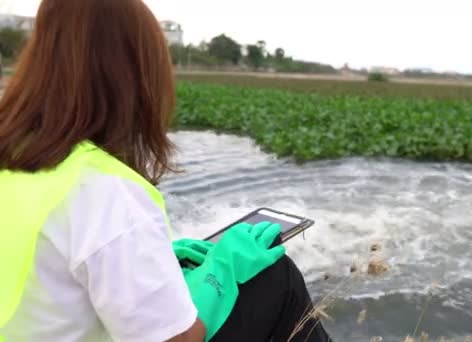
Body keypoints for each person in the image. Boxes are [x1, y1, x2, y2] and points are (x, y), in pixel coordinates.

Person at [0, 0, 332, 341]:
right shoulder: (103, 190)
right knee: (275, 275)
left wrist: (155, 261)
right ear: (134, 81)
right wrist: (222, 270)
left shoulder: (14, 161)